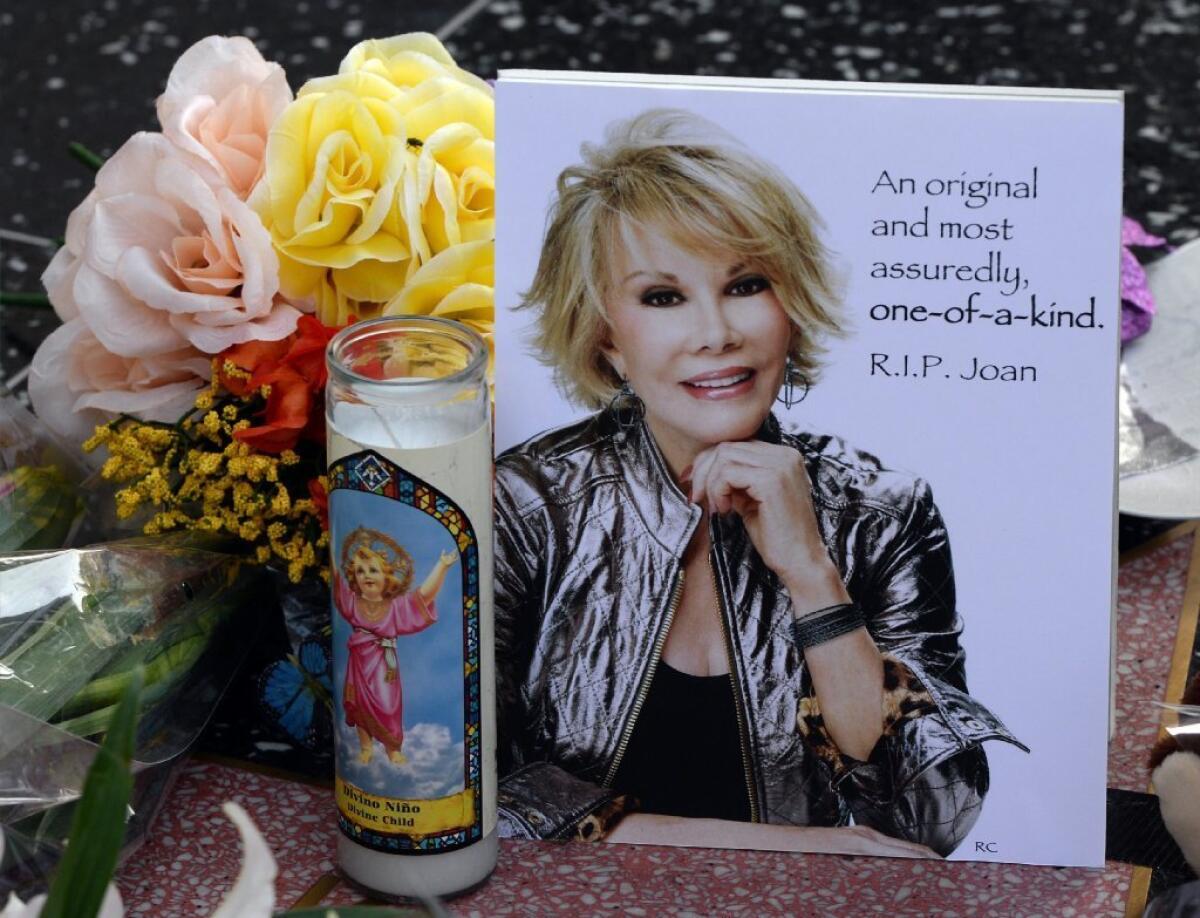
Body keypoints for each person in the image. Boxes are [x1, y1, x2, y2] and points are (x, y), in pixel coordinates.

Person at [494, 109, 1025, 859]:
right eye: (663, 296)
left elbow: (930, 816)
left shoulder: (881, 511)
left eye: (745, 285)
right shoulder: (526, 503)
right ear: (606, 337)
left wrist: (812, 574)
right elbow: (458, 786)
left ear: (791, 306)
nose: (716, 332)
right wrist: (791, 849)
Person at [334, 526, 456, 765]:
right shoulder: (352, 602)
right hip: (358, 665)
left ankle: (392, 749)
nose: (366, 575)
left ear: (387, 576)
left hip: (383, 667)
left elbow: (423, 597)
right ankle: (366, 746)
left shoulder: (395, 607)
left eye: (373, 570)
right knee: (357, 704)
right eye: (360, 571)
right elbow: (337, 583)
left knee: (388, 706)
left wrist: (441, 566)